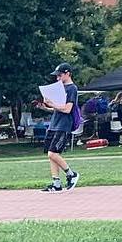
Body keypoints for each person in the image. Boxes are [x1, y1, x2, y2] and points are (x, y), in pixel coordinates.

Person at [41, 61, 81, 191]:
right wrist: (46, 107)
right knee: (51, 154)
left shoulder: (72, 89)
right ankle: (56, 182)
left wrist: (52, 104)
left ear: (67, 74)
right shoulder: (60, 88)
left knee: (53, 153)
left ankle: (71, 174)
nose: (57, 78)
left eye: (60, 75)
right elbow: (58, 108)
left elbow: (67, 109)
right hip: (54, 123)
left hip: (63, 125)